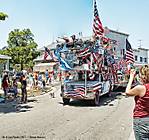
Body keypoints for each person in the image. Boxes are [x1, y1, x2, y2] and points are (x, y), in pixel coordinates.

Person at [125, 65, 149, 139]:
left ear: (144, 76)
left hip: (141, 120)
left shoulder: (141, 88)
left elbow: (127, 92)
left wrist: (131, 78)